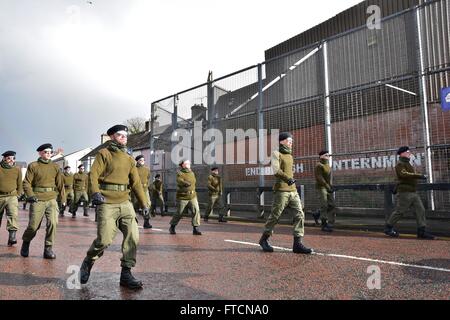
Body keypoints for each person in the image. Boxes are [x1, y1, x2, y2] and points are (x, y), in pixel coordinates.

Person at [79, 125, 150, 289]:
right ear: (112, 137)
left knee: (133, 236)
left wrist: (144, 203)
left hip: (125, 203)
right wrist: (95, 193)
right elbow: (93, 175)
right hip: (107, 203)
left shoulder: (129, 158)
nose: (124, 138)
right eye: (120, 135)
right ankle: (88, 261)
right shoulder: (104, 154)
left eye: (125, 135)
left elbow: (136, 183)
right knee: (104, 239)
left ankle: (126, 274)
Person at [259, 132, 313, 254]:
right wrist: (287, 179)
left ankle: (297, 244)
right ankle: (264, 239)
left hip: (293, 190)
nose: (291, 143)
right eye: (289, 141)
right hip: (281, 190)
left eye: (291, 141)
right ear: (282, 141)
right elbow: (276, 170)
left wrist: (291, 182)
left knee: (299, 214)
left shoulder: (290, 155)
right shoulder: (276, 153)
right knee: (275, 216)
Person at [21, 144, 65, 259]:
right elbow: (26, 183)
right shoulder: (33, 166)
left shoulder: (55, 167)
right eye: (46, 152)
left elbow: (60, 184)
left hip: (51, 199)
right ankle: (26, 242)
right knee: (33, 226)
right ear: (40, 153)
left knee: (53, 223)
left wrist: (63, 199)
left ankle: (48, 248)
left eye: (50, 152)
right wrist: (30, 195)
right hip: (37, 199)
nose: (48, 154)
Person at [384, 146, 435, 240]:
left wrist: (417, 175)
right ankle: (388, 228)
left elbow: (409, 174)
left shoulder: (408, 164)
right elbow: (404, 174)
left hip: (413, 192)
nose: (409, 153)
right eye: (408, 152)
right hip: (404, 192)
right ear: (402, 153)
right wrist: (419, 175)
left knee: (420, 210)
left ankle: (421, 231)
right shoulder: (400, 164)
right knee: (400, 211)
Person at [169, 159, 202, 235]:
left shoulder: (192, 173)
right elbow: (179, 180)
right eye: (187, 163)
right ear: (182, 165)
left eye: (189, 162)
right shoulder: (180, 173)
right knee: (180, 212)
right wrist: (185, 183)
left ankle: (195, 228)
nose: (189, 163)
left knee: (196, 210)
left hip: (192, 196)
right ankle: (172, 226)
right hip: (183, 196)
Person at [0, 151, 23, 246]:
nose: (11, 160)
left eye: (13, 158)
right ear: (4, 158)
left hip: (12, 196)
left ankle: (12, 237)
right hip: (0, 196)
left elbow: (19, 183)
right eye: (9, 158)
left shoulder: (17, 169)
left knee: (13, 215)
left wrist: (18, 194)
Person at [314, 150, 338, 232]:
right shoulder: (319, 165)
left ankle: (329, 223)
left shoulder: (328, 165)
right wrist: (327, 186)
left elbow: (330, 178)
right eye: (326, 155)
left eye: (328, 155)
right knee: (324, 205)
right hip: (321, 187)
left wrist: (330, 186)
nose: (328, 156)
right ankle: (324, 225)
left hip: (328, 187)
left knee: (332, 205)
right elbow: (319, 178)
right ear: (320, 156)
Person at [132, 155, 152, 229]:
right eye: (141, 160)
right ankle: (133, 219)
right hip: (136, 189)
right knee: (135, 205)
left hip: (145, 189)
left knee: (147, 204)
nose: (142, 161)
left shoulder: (147, 169)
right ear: (137, 161)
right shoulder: (134, 169)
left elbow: (148, 178)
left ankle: (146, 221)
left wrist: (147, 186)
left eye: (143, 160)